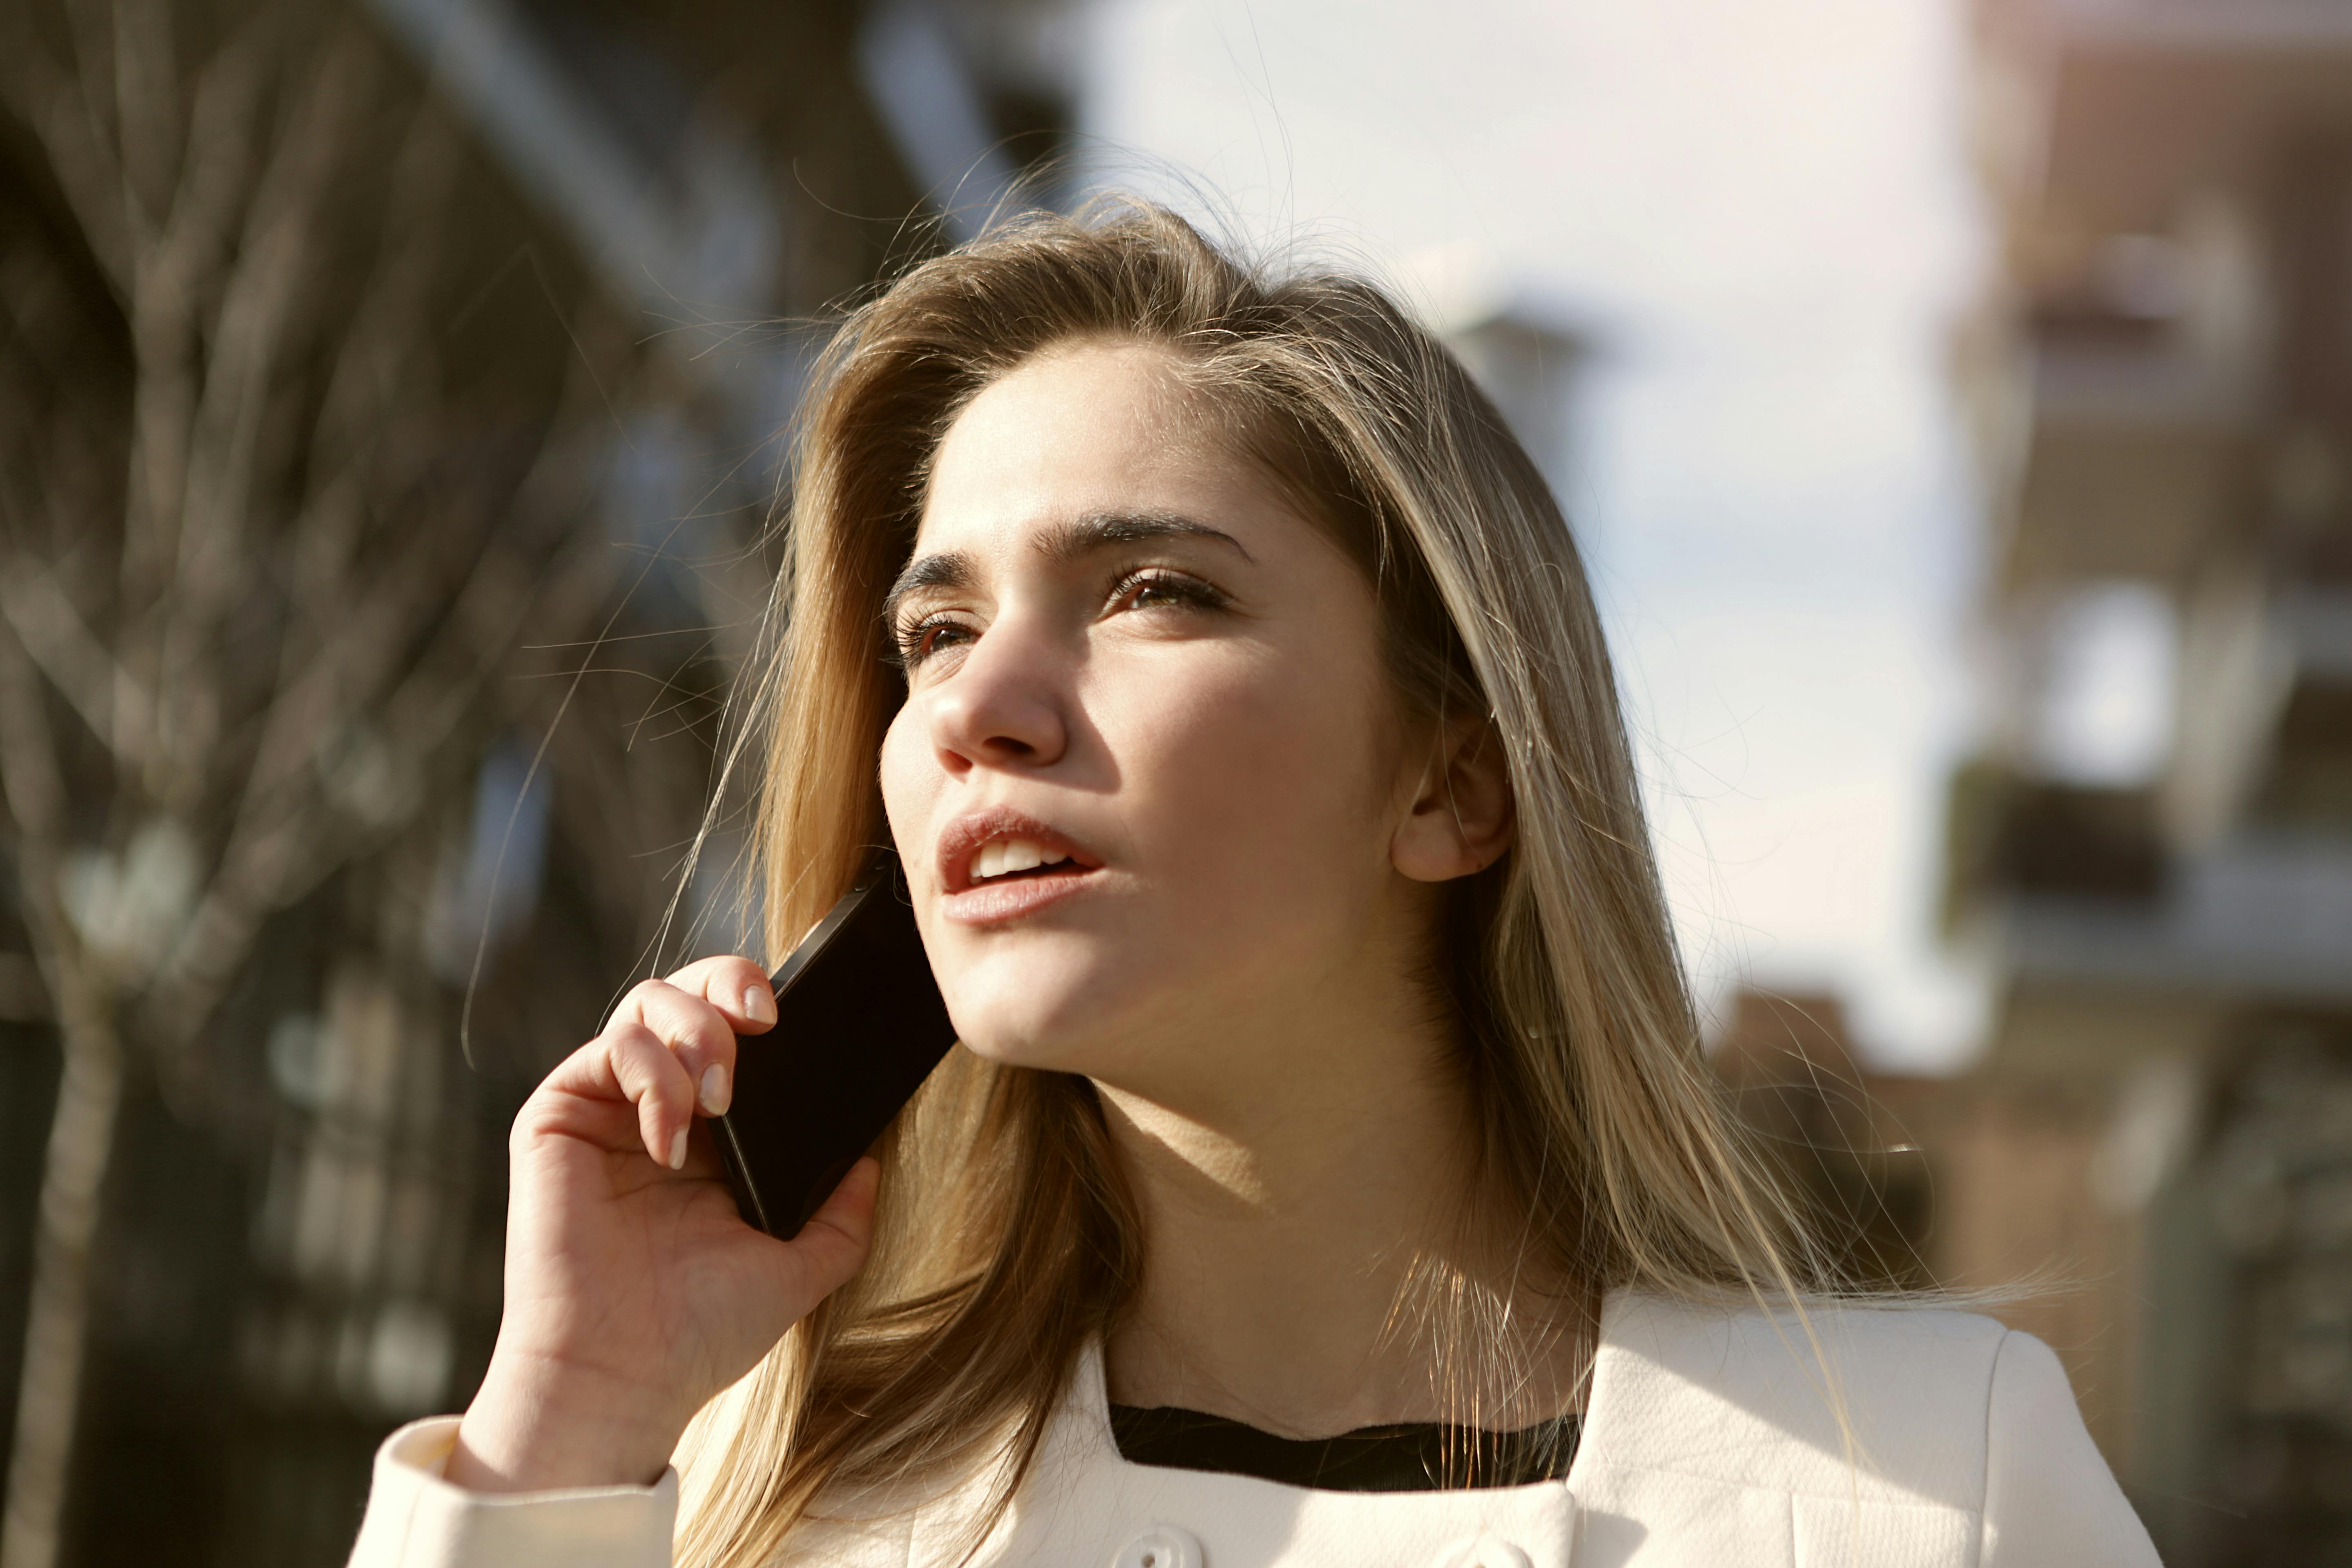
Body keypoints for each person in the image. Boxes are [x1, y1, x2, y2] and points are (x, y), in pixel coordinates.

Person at [348, 201, 2158, 1568]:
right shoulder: (777, 1495)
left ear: (1454, 782)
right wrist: (566, 1421)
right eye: (937, 626)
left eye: (1154, 593)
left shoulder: (1921, 1488)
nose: (977, 704)